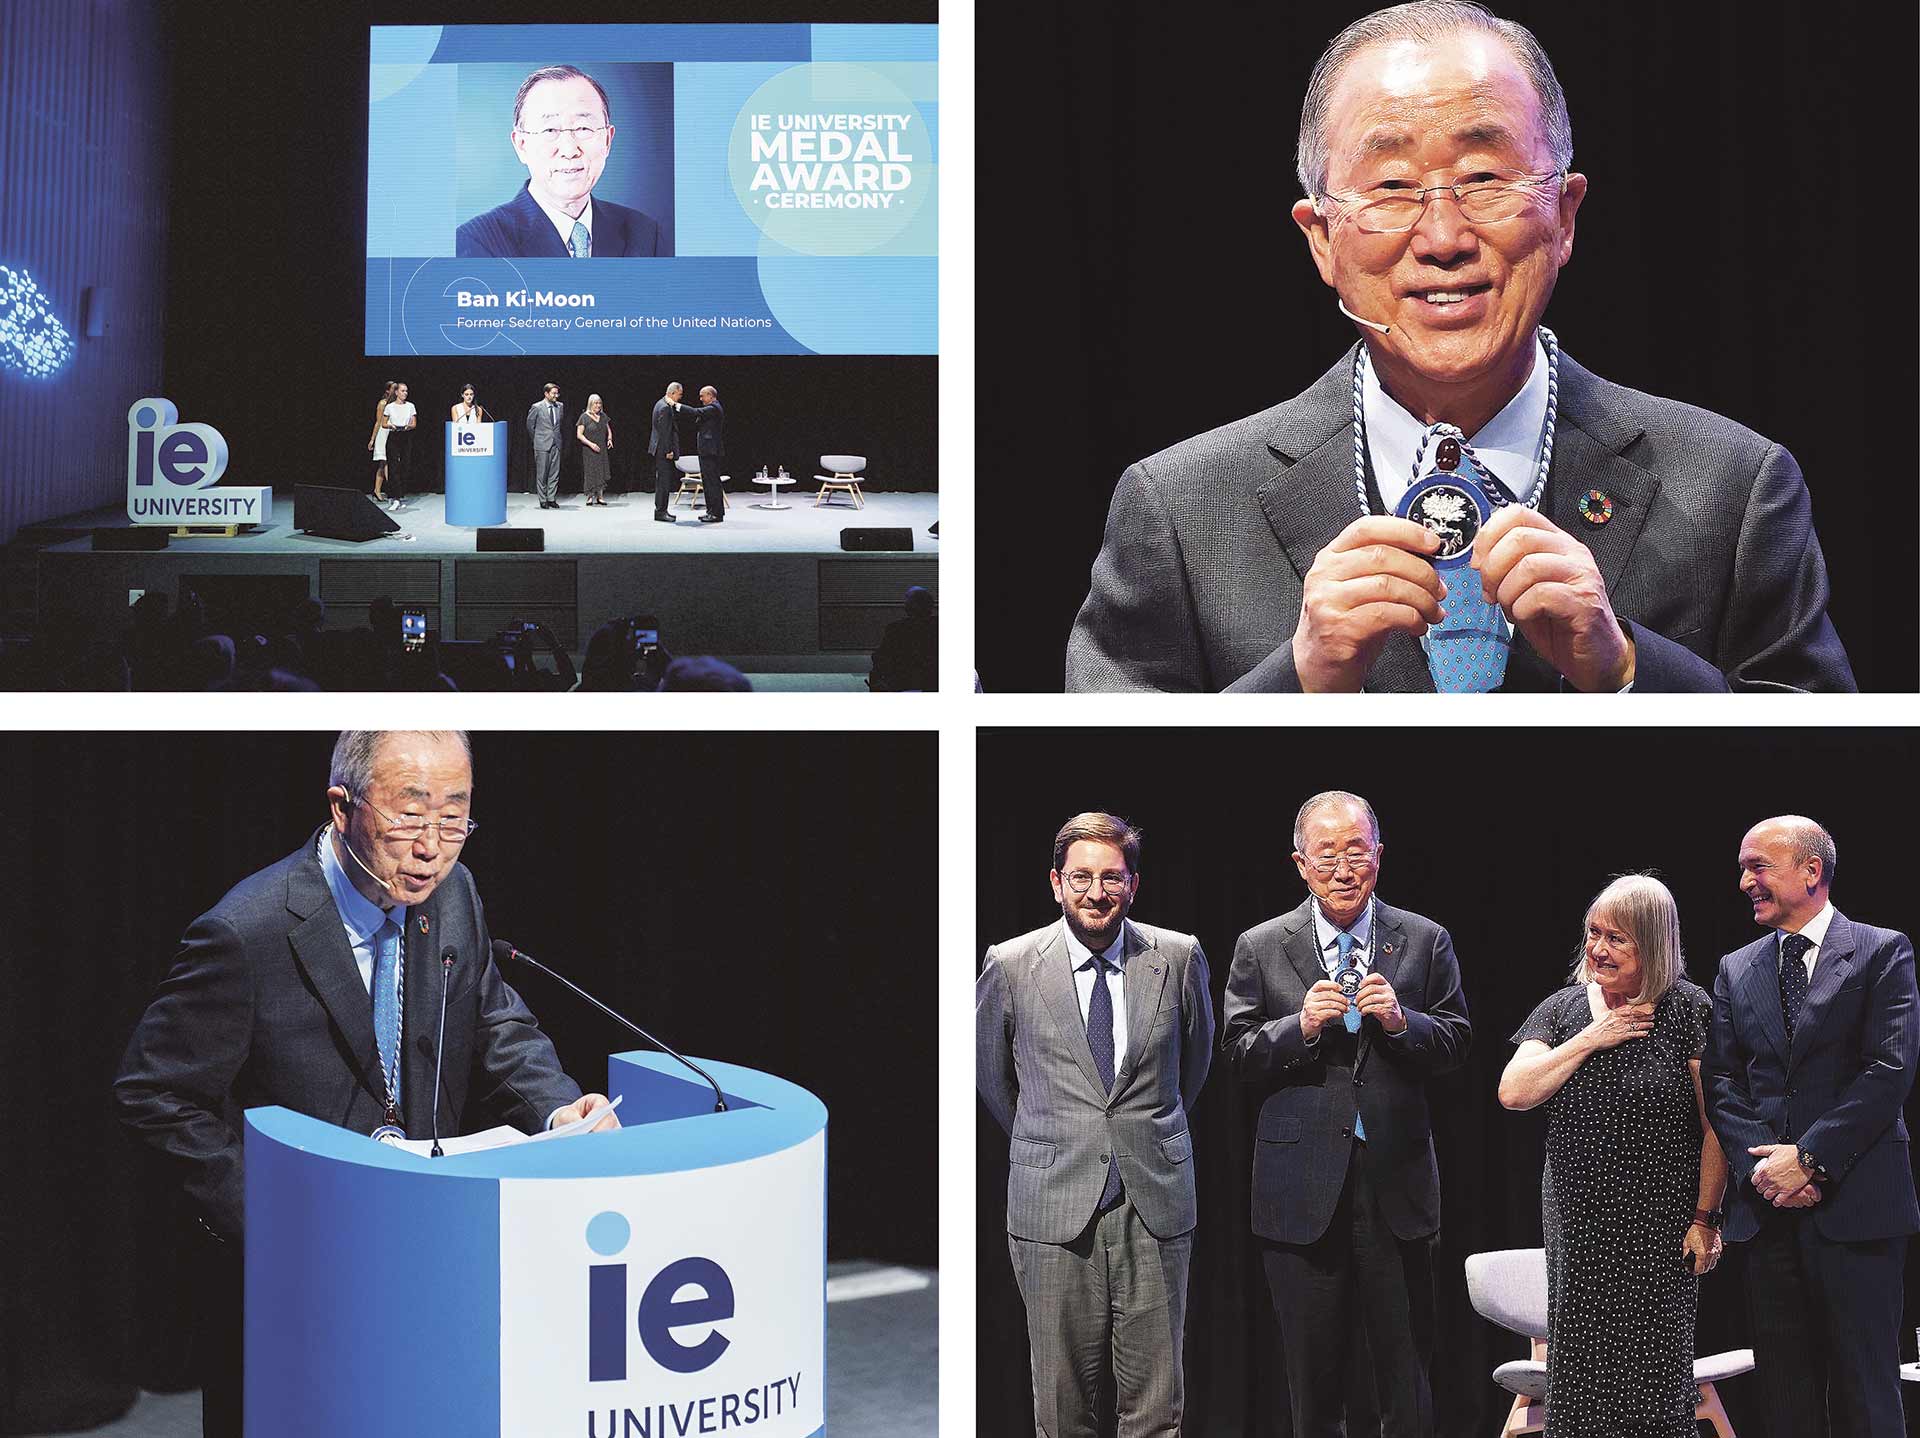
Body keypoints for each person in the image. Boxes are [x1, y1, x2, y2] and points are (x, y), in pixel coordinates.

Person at [1065, 1, 1852, 693]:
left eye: (1484, 177)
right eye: (1392, 188)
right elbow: (1095, 759)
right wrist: (1298, 680)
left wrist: (1624, 672)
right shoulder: (1179, 509)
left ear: (1565, 214)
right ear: (1321, 240)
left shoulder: (1735, 486)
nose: (1443, 238)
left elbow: (1833, 753)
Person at [114, 731, 619, 1437]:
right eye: (410, 817)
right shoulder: (246, 932)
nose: (432, 848)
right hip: (299, 1278)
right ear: (342, 807)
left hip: (421, 1252)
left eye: (455, 820)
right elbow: (154, 1094)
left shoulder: (453, 896)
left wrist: (558, 1111)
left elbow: (495, 1020)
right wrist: (271, 1221)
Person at [1220, 790, 1470, 1438]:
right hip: (1301, 1191)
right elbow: (1237, 1053)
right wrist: (1298, 1026)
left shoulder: (1424, 940)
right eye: (1325, 854)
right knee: (1313, 1385)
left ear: (1378, 857)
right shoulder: (1261, 946)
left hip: (1397, 1185)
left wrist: (1400, 1020)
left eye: (1355, 851)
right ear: (1300, 864)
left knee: (1406, 1380)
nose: (1341, 867)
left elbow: (1456, 1042)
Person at [976, 812, 1213, 1437]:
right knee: (1061, 1409)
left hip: (1154, 1203)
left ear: (1133, 884)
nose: (1096, 891)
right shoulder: (1011, 964)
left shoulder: (1178, 956)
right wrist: (1057, 1138)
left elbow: (1194, 1066)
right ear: (1056, 883)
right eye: (1080, 877)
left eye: (1112, 877)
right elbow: (996, 1080)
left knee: (1158, 1412)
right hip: (1052, 1206)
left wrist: (1139, 1131)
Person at [1701, 817, 1918, 1438]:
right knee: (1785, 1400)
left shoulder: (1881, 950)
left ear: (1811, 871)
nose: (1745, 881)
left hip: (1857, 1210)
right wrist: (1764, 1168)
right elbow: (1721, 1080)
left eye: (1758, 867)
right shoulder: (1737, 969)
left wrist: (1812, 1159)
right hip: (1769, 1213)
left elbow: (1889, 1070)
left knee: (1866, 1394)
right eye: (1743, 869)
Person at [1499, 875, 1726, 1438]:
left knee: (1656, 1386)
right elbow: (1514, 1092)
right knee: (1578, 1390)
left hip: (1661, 1230)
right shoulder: (1564, 1009)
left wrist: (1705, 1217)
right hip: (1581, 1228)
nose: (1598, 949)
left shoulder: (1687, 1010)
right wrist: (1591, 1038)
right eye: (1593, 933)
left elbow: (1715, 1126)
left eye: (1617, 939)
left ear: (1652, 942)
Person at [456, 64, 666, 259]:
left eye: (583, 128)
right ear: (521, 145)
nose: (569, 150)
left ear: (608, 141)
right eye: (550, 130)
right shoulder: (478, 243)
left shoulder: (645, 234)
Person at [868, 585, 937, 691]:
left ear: (911, 606)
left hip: (902, 682)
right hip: (931, 681)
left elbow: (883, 656)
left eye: (907, 600)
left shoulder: (896, 629)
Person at [678, 385, 727, 523]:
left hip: (711, 451)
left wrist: (677, 405)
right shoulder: (712, 408)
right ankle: (711, 511)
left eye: (702, 396)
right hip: (707, 451)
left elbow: (695, 412)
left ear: (711, 396)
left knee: (712, 483)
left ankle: (716, 514)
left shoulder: (714, 408)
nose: (700, 399)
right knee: (708, 483)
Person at [648, 382, 683, 523]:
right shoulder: (664, 408)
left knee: (662, 481)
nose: (680, 398)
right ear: (673, 393)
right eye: (679, 395)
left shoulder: (660, 403)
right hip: (663, 450)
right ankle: (661, 512)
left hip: (660, 449)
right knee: (664, 482)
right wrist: (668, 451)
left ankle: (661, 510)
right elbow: (665, 432)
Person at [527, 382, 565, 509]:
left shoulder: (560, 406)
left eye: (557, 393)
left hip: (556, 443)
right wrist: (537, 439)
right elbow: (530, 426)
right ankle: (543, 500)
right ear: (546, 393)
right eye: (553, 393)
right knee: (542, 473)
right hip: (542, 444)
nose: (556, 396)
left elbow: (559, 425)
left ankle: (551, 498)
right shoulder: (537, 407)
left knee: (554, 473)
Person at [382, 381, 417, 510]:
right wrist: (391, 425)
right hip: (394, 435)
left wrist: (409, 426)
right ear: (396, 392)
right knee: (393, 466)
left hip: (406, 436)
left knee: (405, 466)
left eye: (406, 391)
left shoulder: (410, 406)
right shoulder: (389, 407)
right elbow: (383, 424)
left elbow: (414, 423)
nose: (405, 393)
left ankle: (400, 495)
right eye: (403, 391)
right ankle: (395, 497)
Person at [577, 393, 613, 506]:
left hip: (601, 448)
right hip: (589, 449)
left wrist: (610, 438)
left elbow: (608, 428)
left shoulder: (603, 416)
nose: (598, 405)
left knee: (601, 471)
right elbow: (579, 435)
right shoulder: (584, 417)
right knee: (591, 472)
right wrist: (590, 444)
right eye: (596, 403)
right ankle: (590, 496)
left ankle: (600, 496)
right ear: (590, 404)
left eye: (599, 403)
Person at [367, 379, 396, 505]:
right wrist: (372, 439)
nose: (395, 391)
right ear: (388, 390)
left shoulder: (396, 404)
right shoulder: (382, 404)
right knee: (385, 463)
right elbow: (378, 422)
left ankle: (377, 490)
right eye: (393, 389)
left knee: (384, 465)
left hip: (392, 435)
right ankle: (393, 493)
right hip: (382, 435)